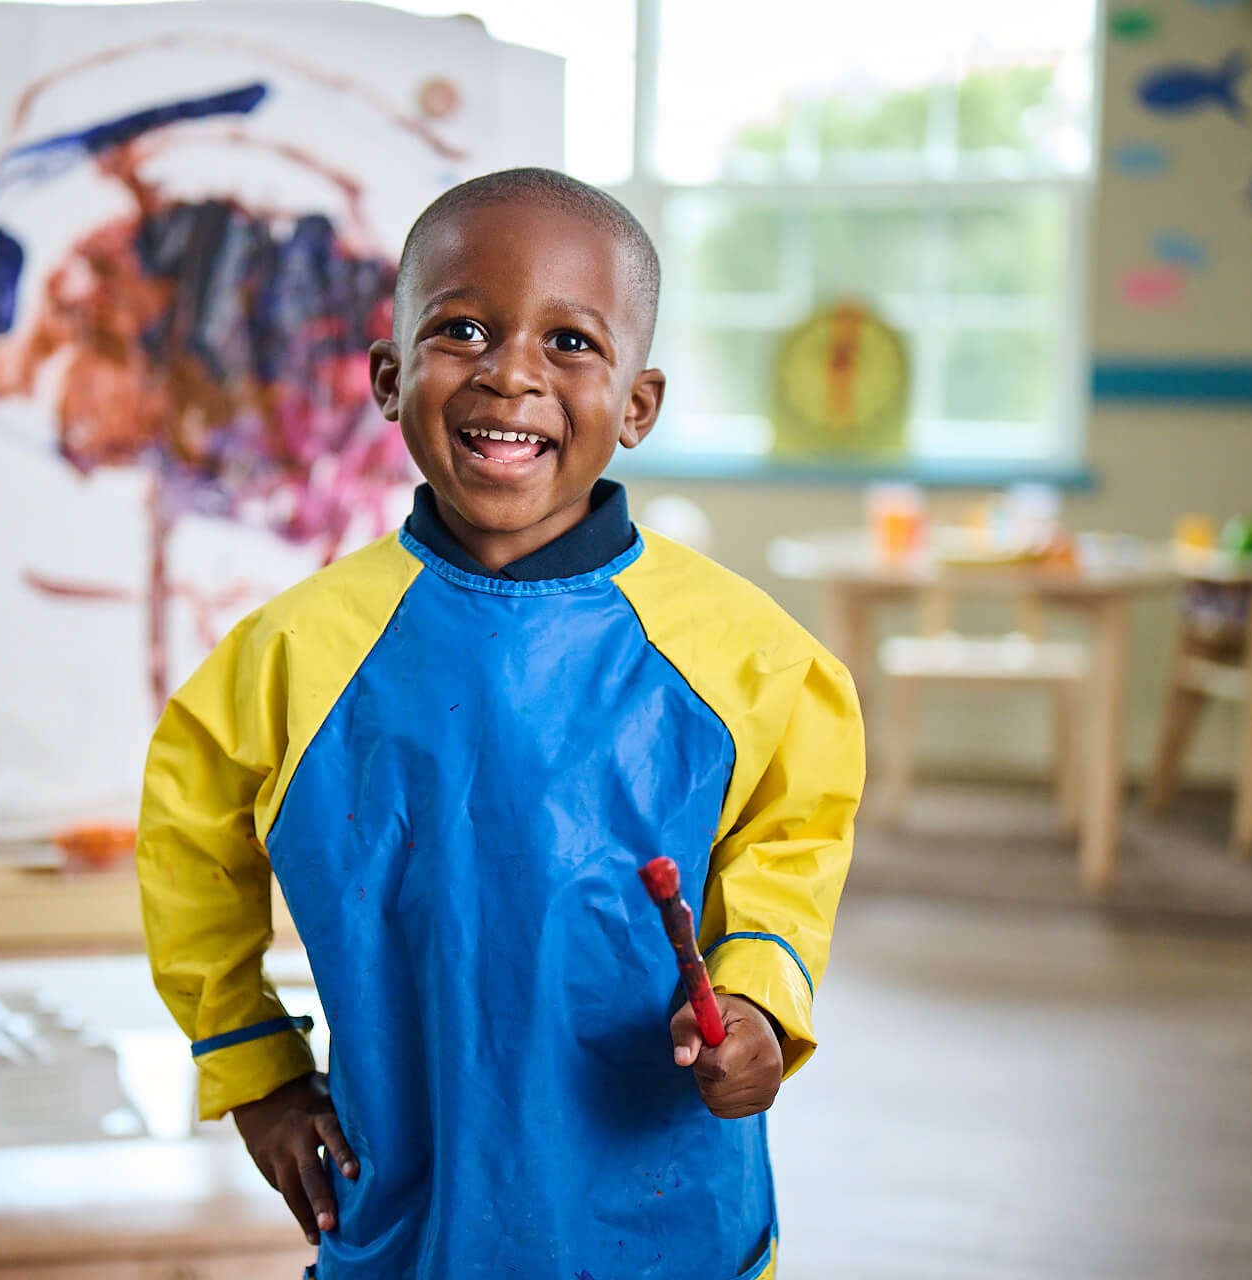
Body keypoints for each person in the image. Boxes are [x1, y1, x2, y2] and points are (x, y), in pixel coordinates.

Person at [137, 167, 865, 1279]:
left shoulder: (749, 656)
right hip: (407, 1208)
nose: (512, 371)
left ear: (639, 403)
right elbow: (190, 840)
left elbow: (790, 842)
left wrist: (761, 999)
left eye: (571, 341)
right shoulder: (293, 656)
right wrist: (257, 1065)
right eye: (463, 328)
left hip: (666, 1213)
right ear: (388, 378)